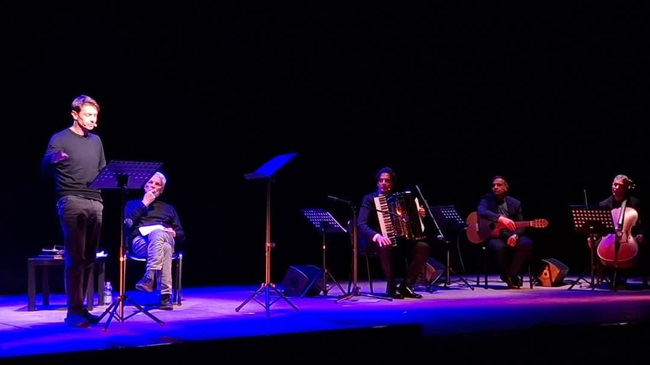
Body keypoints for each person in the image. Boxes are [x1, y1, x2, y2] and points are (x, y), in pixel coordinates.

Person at [41, 94, 106, 327]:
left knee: (89, 258)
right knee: (75, 257)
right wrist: (54, 159)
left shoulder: (96, 141)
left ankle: (83, 308)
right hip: (70, 200)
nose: (92, 120)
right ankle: (73, 311)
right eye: (88, 115)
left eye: (95, 116)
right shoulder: (59, 139)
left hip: (95, 202)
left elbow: (102, 171)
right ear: (74, 114)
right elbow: (44, 167)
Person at [356, 166, 430, 299]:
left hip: (401, 240)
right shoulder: (369, 199)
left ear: (392, 183)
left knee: (423, 247)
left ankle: (406, 285)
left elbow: (411, 222)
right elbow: (361, 224)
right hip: (375, 241)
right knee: (386, 244)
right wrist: (377, 236)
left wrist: (419, 215)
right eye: (381, 180)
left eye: (387, 181)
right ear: (377, 182)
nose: (384, 183)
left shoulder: (399, 199)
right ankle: (391, 286)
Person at [124, 171, 185, 310]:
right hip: (140, 243)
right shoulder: (132, 204)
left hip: (164, 237)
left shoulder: (168, 208)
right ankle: (165, 296)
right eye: (150, 182)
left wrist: (174, 232)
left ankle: (148, 277)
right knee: (165, 248)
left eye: (157, 184)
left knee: (159, 235)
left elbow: (182, 234)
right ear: (144, 185)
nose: (153, 186)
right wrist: (145, 203)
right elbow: (126, 225)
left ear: (161, 190)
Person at [476, 176, 534, 289]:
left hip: (511, 234)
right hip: (494, 236)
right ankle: (510, 275)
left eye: (498, 185)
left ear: (506, 187)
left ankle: (510, 274)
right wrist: (500, 218)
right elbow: (481, 211)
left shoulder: (516, 203)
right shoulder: (487, 198)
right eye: (493, 185)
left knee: (527, 243)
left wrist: (515, 235)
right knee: (498, 247)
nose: (495, 187)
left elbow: (521, 224)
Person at [591, 174, 646, 289]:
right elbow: (598, 227)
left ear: (626, 187)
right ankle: (611, 277)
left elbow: (642, 223)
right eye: (613, 184)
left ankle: (621, 277)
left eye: (618, 185)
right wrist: (594, 237)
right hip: (608, 237)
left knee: (634, 249)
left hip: (628, 236)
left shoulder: (635, 203)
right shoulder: (604, 204)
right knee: (597, 245)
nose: (615, 187)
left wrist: (641, 234)